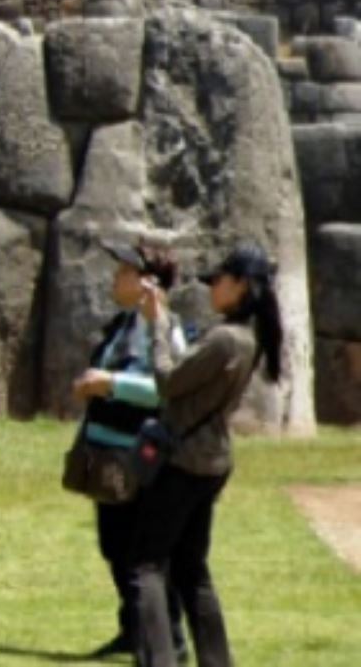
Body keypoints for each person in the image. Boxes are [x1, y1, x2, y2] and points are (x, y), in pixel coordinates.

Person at [129, 244, 285, 667]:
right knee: (190, 567)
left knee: (145, 564)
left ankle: (159, 660)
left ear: (241, 285)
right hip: (211, 462)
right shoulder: (246, 338)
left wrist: (158, 324)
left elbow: (169, 380)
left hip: (184, 462)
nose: (213, 287)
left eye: (219, 280)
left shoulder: (225, 339)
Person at [71, 241, 190, 661]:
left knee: (143, 554)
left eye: (123, 271)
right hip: (108, 456)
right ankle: (133, 628)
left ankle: (169, 637)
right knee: (114, 546)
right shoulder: (124, 325)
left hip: (140, 460)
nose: (114, 278)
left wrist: (110, 383)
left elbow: (166, 388)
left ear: (147, 282)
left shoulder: (165, 330)